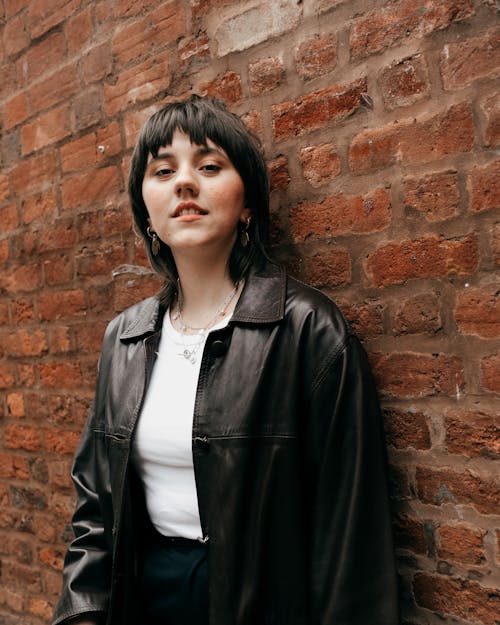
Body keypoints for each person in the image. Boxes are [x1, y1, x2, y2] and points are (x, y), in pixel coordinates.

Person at [52, 95, 399, 625]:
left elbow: (350, 539)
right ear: (146, 211)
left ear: (249, 203)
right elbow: (96, 509)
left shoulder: (308, 331)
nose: (184, 184)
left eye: (209, 166)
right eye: (163, 171)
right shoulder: (124, 338)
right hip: (144, 599)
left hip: (262, 603)